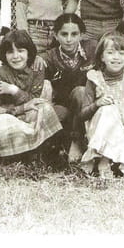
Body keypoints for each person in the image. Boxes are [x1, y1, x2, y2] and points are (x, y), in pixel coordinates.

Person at [0, 29, 63, 162]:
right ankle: (12, 153)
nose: (16, 56)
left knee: (45, 108)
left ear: (29, 52)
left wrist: (14, 91)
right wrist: (22, 108)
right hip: (8, 117)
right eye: (10, 52)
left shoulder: (37, 68)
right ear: (4, 54)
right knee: (3, 123)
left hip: (27, 115)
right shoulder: (0, 74)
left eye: (20, 51)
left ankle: (40, 150)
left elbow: (35, 99)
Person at [78, 32, 124, 178]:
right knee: (108, 109)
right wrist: (97, 104)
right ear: (102, 57)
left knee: (112, 110)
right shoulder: (94, 78)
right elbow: (83, 114)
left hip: (123, 130)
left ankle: (104, 161)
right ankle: (101, 158)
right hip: (97, 130)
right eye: (110, 53)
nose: (116, 57)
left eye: (121, 53)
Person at [42, 13, 97, 162]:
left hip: (87, 104)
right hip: (64, 106)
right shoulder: (49, 57)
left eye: (74, 34)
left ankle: (77, 141)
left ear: (82, 35)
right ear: (55, 35)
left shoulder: (93, 49)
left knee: (80, 92)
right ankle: (56, 148)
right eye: (64, 34)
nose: (69, 39)